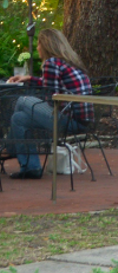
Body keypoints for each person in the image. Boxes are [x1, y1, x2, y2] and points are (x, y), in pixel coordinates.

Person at [5, 29, 94, 179]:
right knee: (19, 118)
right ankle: (31, 168)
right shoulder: (68, 61)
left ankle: (9, 147)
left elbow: (50, 97)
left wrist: (33, 97)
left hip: (68, 121)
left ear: (45, 45)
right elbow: (53, 87)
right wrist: (29, 78)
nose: (37, 47)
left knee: (21, 101)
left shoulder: (51, 63)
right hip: (82, 121)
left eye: (38, 43)